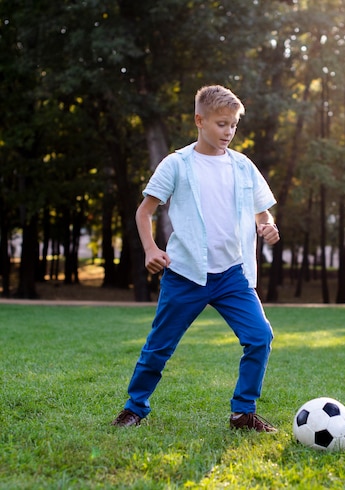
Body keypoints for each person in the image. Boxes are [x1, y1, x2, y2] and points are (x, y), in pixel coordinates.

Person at [112, 85, 280, 432]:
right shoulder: (177, 164)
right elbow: (144, 212)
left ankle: (242, 413)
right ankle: (134, 408)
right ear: (199, 121)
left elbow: (262, 213)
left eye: (233, 125)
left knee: (260, 337)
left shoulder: (243, 166)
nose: (228, 132)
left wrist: (268, 227)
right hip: (186, 273)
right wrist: (150, 250)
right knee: (159, 347)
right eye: (221, 124)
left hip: (232, 274)